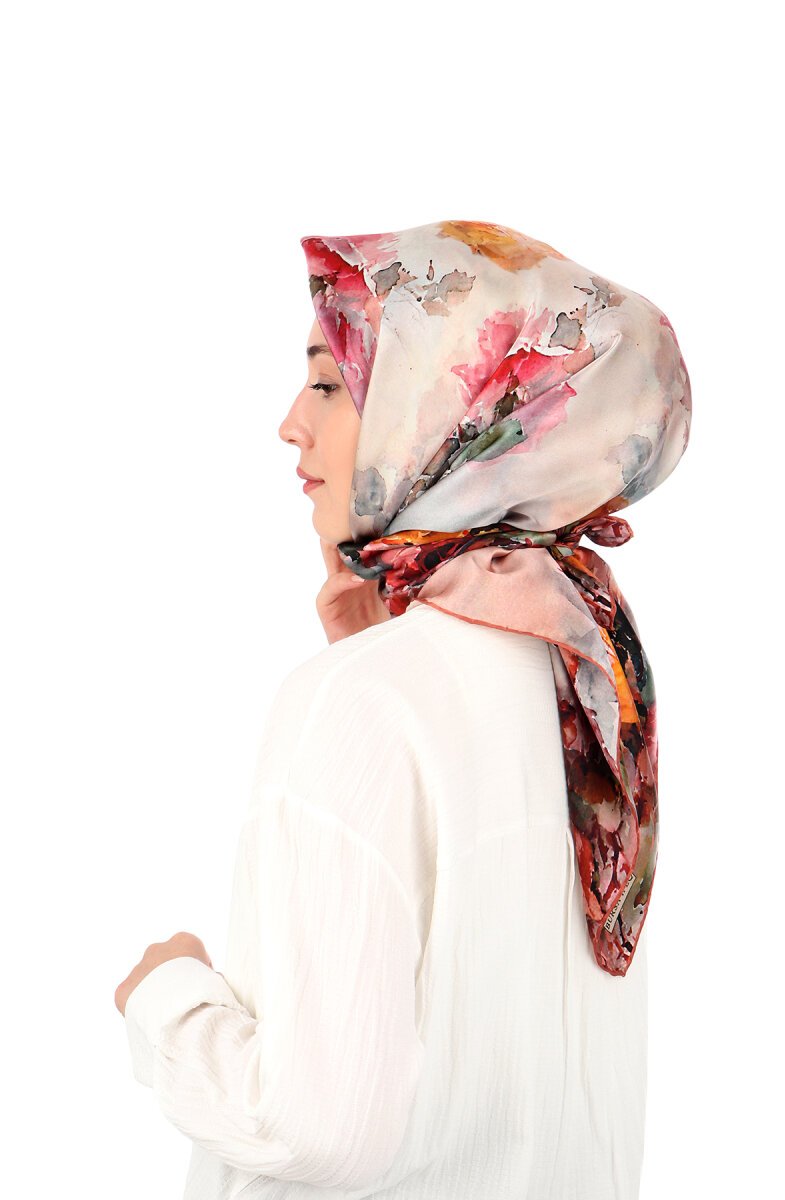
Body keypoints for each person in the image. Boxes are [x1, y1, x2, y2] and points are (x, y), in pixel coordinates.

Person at [115, 219, 691, 1199]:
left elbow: (314, 1131)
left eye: (328, 383)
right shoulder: (593, 690)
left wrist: (164, 999)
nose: (290, 424)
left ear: (448, 414)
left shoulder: (362, 702)